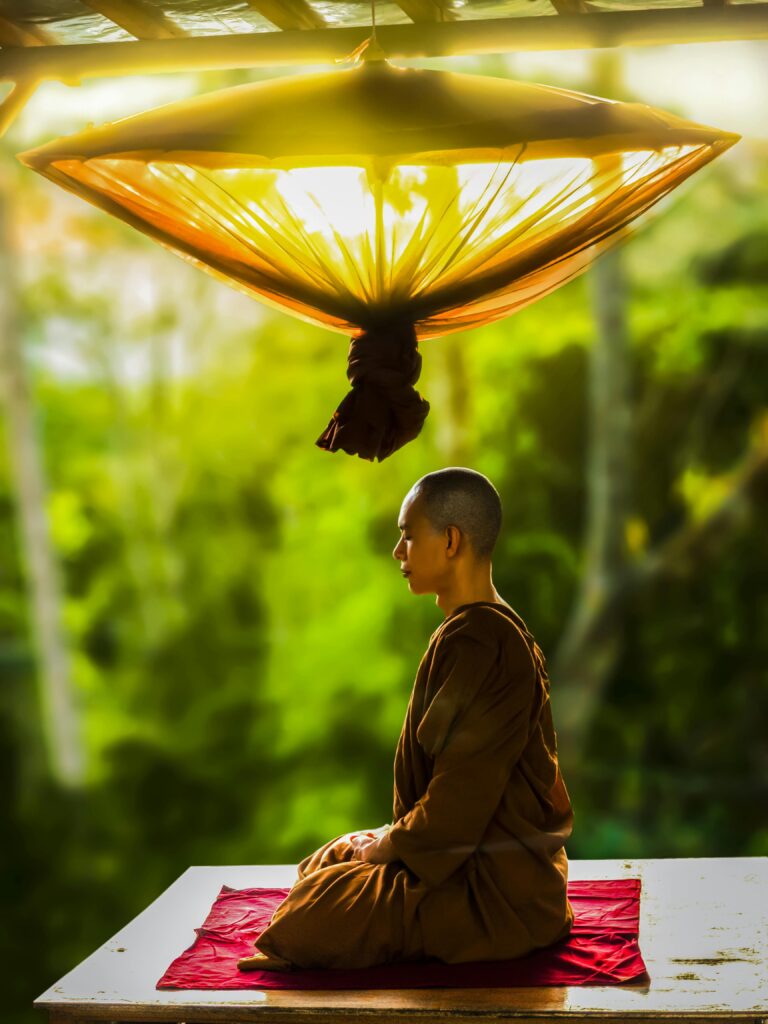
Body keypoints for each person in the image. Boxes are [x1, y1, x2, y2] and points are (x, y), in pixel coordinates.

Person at [238, 467, 574, 971]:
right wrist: (385, 844)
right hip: (456, 852)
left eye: (408, 536)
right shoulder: (472, 630)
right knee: (329, 860)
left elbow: (460, 798)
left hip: (498, 892)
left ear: (452, 541)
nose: (398, 551)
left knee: (313, 917)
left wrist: (393, 845)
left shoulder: (489, 641)